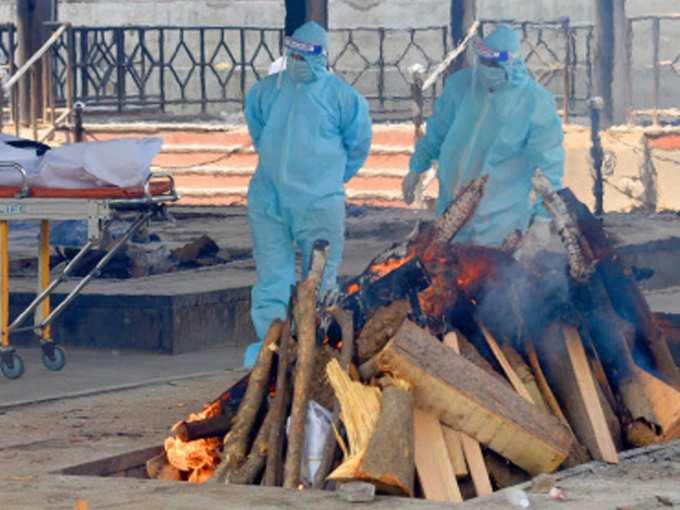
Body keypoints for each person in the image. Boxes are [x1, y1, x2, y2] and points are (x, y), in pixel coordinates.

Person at [243, 21, 372, 367]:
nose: (298, 61)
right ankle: (271, 349)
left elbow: (358, 145)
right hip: (268, 199)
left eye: (306, 55)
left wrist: (328, 179)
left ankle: (313, 349)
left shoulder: (343, 98)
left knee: (318, 282)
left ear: (321, 57)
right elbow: (259, 132)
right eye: (294, 54)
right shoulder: (266, 91)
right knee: (272, 276)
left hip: (319, 204)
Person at [402, 24, 565, 248]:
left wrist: (543, 218)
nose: (488, 68)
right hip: (450, 213)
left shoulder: (534, 101)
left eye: (494, 63)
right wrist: (416, 167)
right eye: (484, 61)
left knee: (491, 277)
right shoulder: (461, 85)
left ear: (511, 62)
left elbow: (549, 165)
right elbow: (437, 131)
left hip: (500, 222)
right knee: (446, 273)